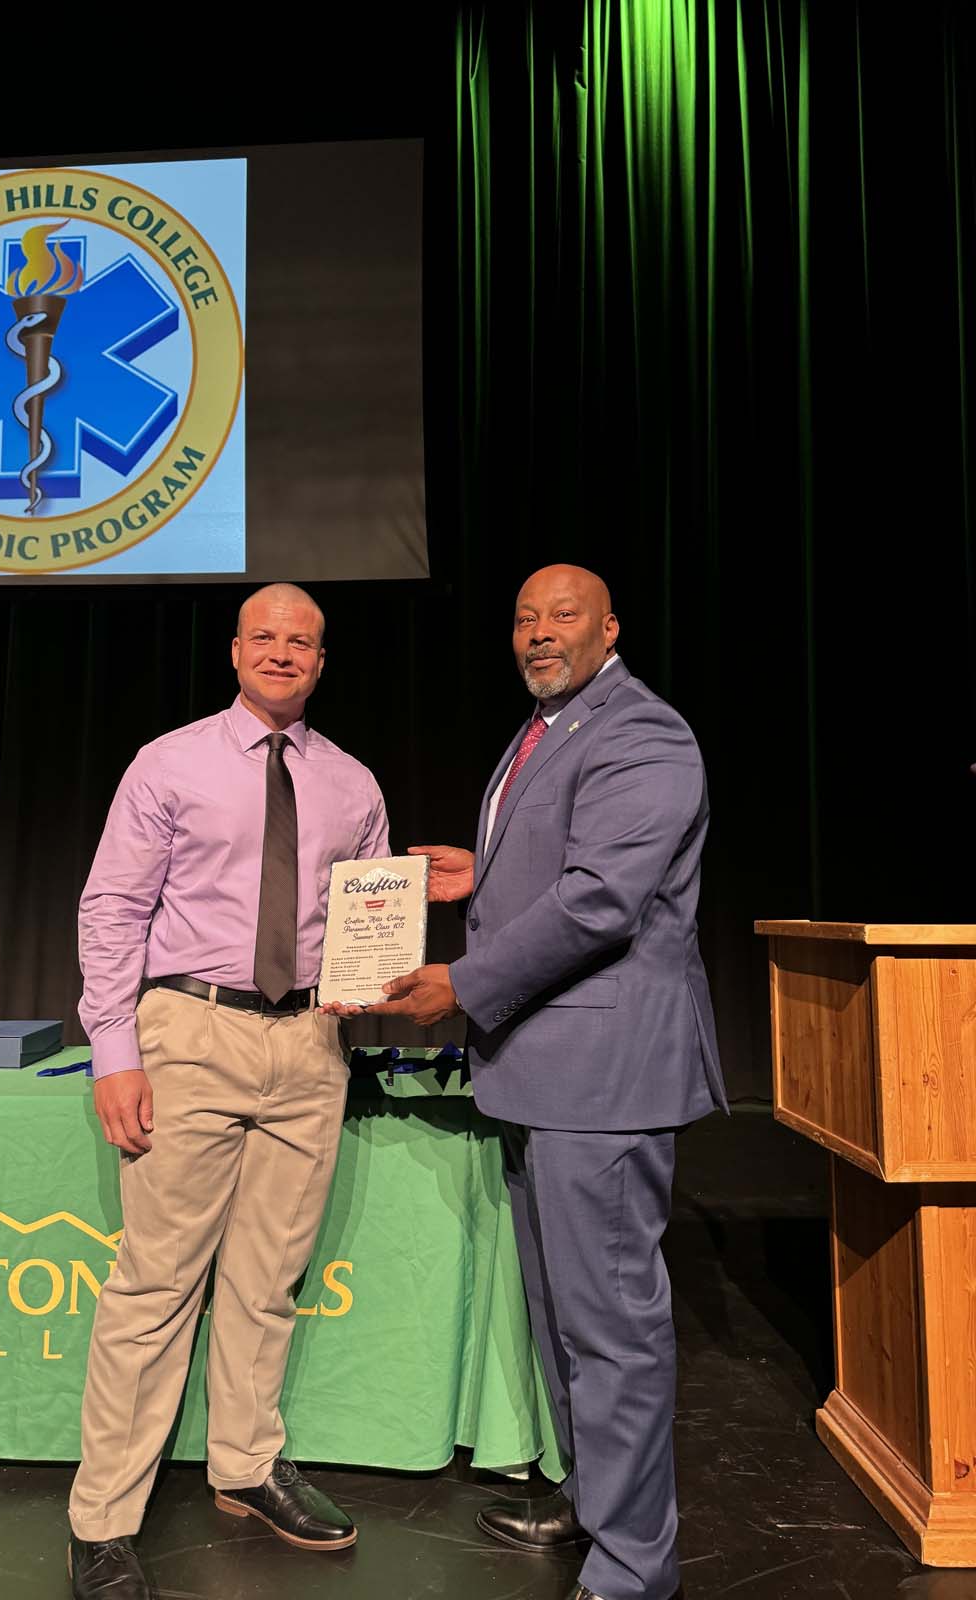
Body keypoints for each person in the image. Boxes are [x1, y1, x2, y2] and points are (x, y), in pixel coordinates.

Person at [333, 564, 726, 1600]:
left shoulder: (643, 732)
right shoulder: (548, 728)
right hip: (540, 1074)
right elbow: (563, 865)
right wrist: (485, 873)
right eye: (524, 616)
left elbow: (601, 900)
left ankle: (636, 1565)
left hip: (601, 1079)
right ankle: (594, 1504)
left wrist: (462, 981)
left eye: (564, 616)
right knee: (561, 1319)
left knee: (613, 1332)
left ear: (610, 627)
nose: (540, 632)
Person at [68, 583, 389, 1600]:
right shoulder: (169, 762)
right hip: (189, 1030)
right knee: (158, 1282)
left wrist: (373, 983)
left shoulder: (353, 783)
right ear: (235, 651)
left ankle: (246, 1466)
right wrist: (114, 1046)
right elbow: (113, 904)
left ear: (323, 661)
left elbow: (369, 916)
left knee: (267, 1278)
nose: (285, 652)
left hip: (308, 1041)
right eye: (268, 637)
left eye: (304, 641)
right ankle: (104, 1518)